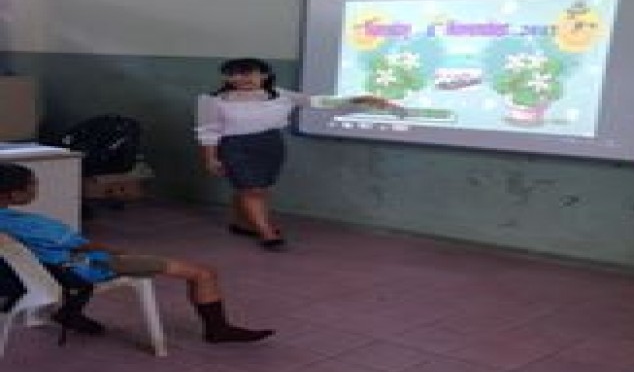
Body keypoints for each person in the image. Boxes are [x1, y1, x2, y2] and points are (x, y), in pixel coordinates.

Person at [0, 162, 273, 344]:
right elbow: (83, 247)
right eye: (32, 184)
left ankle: (70, 313)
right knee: (203, 273)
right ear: (13, 194)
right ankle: (218, 330)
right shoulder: (32, 225)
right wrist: (118, 252)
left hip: (45, 267)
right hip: (76, 266)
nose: (36, 188)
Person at [195, 57, 397, 249]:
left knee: (256, 188)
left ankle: (242, 224)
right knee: (251, 189)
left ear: (264, 75)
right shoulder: (212, 100)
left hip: (270, 144)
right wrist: (210, 158)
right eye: (234, 74)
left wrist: (361, 100)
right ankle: (267, 232)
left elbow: (319, 102)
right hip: (234, 146)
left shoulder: (280, 95)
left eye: (248, 74)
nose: (241, 79)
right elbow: (208, 130)